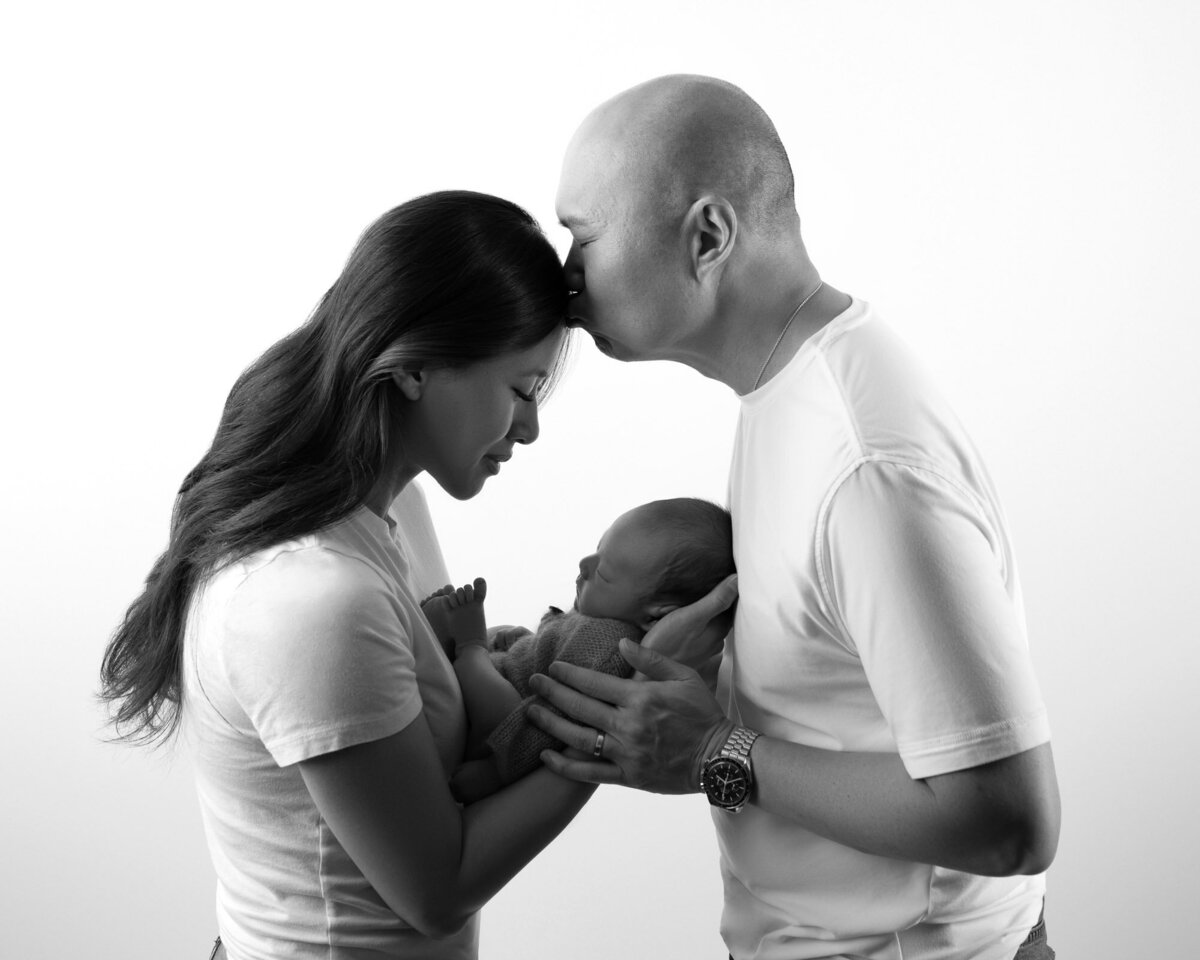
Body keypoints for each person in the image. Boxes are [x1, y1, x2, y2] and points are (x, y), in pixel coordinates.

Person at [527, 75, 1061, 960]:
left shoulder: (866, 466)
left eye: (582, 235)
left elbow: (1009, 820)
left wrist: (713, 752)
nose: (565, 276)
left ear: (707, 237)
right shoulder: (786, 393)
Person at [100, 191, 603, 960]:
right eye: (522, 389)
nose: (531, 428)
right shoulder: (313, 596)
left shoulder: (396, 510)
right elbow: (436, 890)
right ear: (418, 365)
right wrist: (613, 734)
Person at [421, 497, 735, 800]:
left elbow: (550, 726)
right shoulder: (597, 621)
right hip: (502, 684)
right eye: (598, 549)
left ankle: (468, 650)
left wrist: (495, 772)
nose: (584, 565)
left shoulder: (609, 649)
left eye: (603, 574)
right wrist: (526, 642)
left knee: (473, 656)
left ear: (655, 616)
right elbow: (553, 648)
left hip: (501, 723)